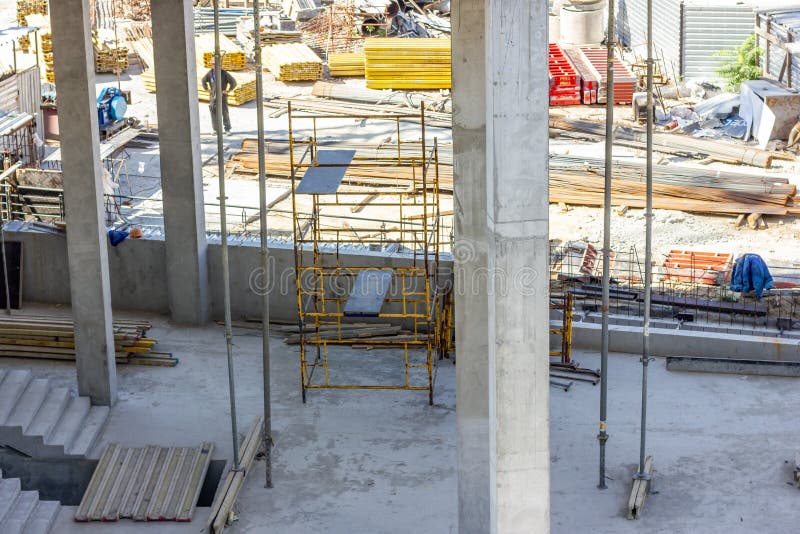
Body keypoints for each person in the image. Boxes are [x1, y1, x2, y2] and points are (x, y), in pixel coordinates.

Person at [201, 67, 237, 134]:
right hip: (213, 97)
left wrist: (228, 90)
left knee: (225, 112)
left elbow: (233, 82)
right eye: (212, 64)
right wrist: (207, 90)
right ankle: (215, 129)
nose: (213, 65)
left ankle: (227, 129)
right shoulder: (210, 73)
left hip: (222, 97)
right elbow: (203, 81)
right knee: (213, 112)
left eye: (214, 63)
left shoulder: (224, 73)